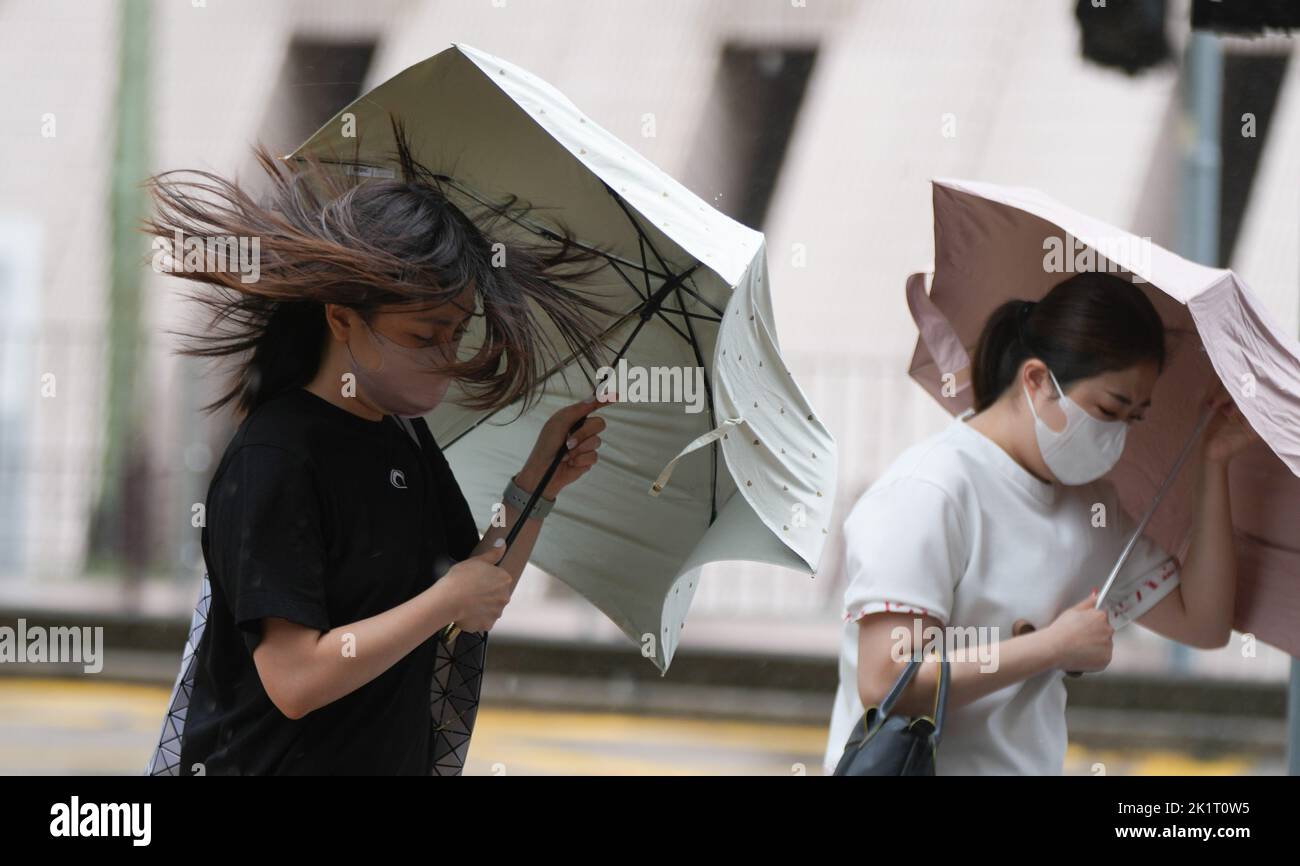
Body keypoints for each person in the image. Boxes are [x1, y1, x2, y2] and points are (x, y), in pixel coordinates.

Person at [145, 120, 615, 774]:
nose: (448, 359)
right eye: (425, 336)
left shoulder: (400, 435)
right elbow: (295, 679)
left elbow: (472, 596)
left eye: (456, 333)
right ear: (342, 320)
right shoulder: (277, 456)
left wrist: (540, 480)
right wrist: (445, 601)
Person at [823, 271, 1260, 775]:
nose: (1118, 436)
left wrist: (1213, 464)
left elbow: (1203, 624)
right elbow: (887, 680)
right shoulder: (930, 490)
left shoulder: (1091, 506)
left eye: (1134, 417)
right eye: (1109, 409)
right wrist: (1051, 646)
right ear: (1036, 380)